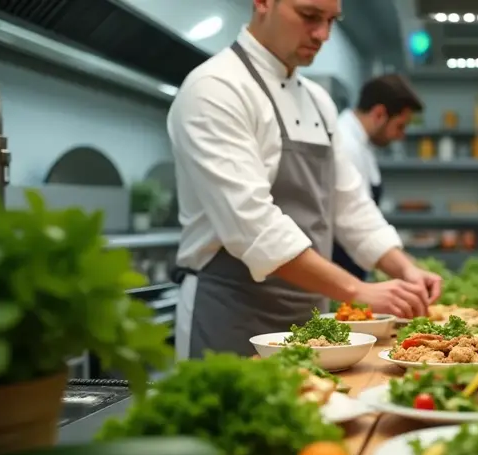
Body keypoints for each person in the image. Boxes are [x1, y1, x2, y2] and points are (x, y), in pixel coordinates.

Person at [167, 0, 442, 360]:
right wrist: (357, 290)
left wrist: (405, 268)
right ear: (263, 3)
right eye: (310, 16)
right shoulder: (215, 88)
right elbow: (255, 227)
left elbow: (350, 206)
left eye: (331, 21)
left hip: (310, 323)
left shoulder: (318, 102)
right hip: (231, 317)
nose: (323, 35)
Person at [332, 74, 423, 279]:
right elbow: (353, 218)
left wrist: (405, 264)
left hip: (354, 267)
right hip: (341, 270)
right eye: (400, 126)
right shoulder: (345, 144)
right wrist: (404, 266)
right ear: (379, 114)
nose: (401, 135)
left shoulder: (362, 144)